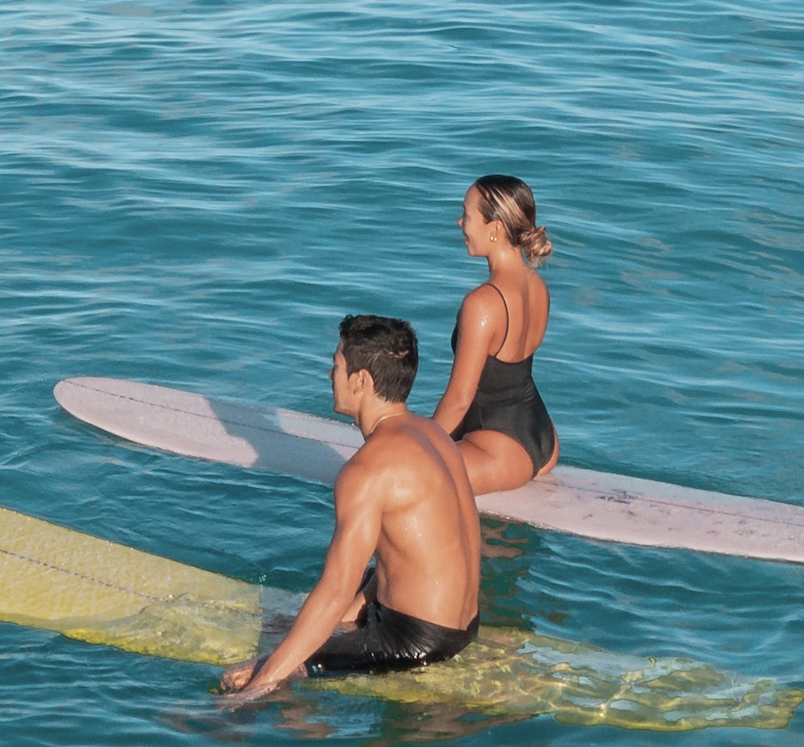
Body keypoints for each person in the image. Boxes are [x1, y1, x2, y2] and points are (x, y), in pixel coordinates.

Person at [219, 316, 482, 698]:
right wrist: (355, 606)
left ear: (362, 381)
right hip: (463, 624)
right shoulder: (436, 435)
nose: (330, 374)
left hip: (415, 641)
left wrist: (264, 678)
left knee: (244, 680)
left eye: (338, 366)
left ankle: (257, 722)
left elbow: (335, 588)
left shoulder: (366, 470)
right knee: (346, 594)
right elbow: (409, 547)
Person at [432, 176, 559, 496]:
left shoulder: (483, 304)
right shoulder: (537, 286)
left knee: (404, 474)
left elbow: (459, 400)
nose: (460, 222)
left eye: (467, 215)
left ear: (495, 228)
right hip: (542, 434)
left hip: (500, 448)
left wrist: (423, 449)